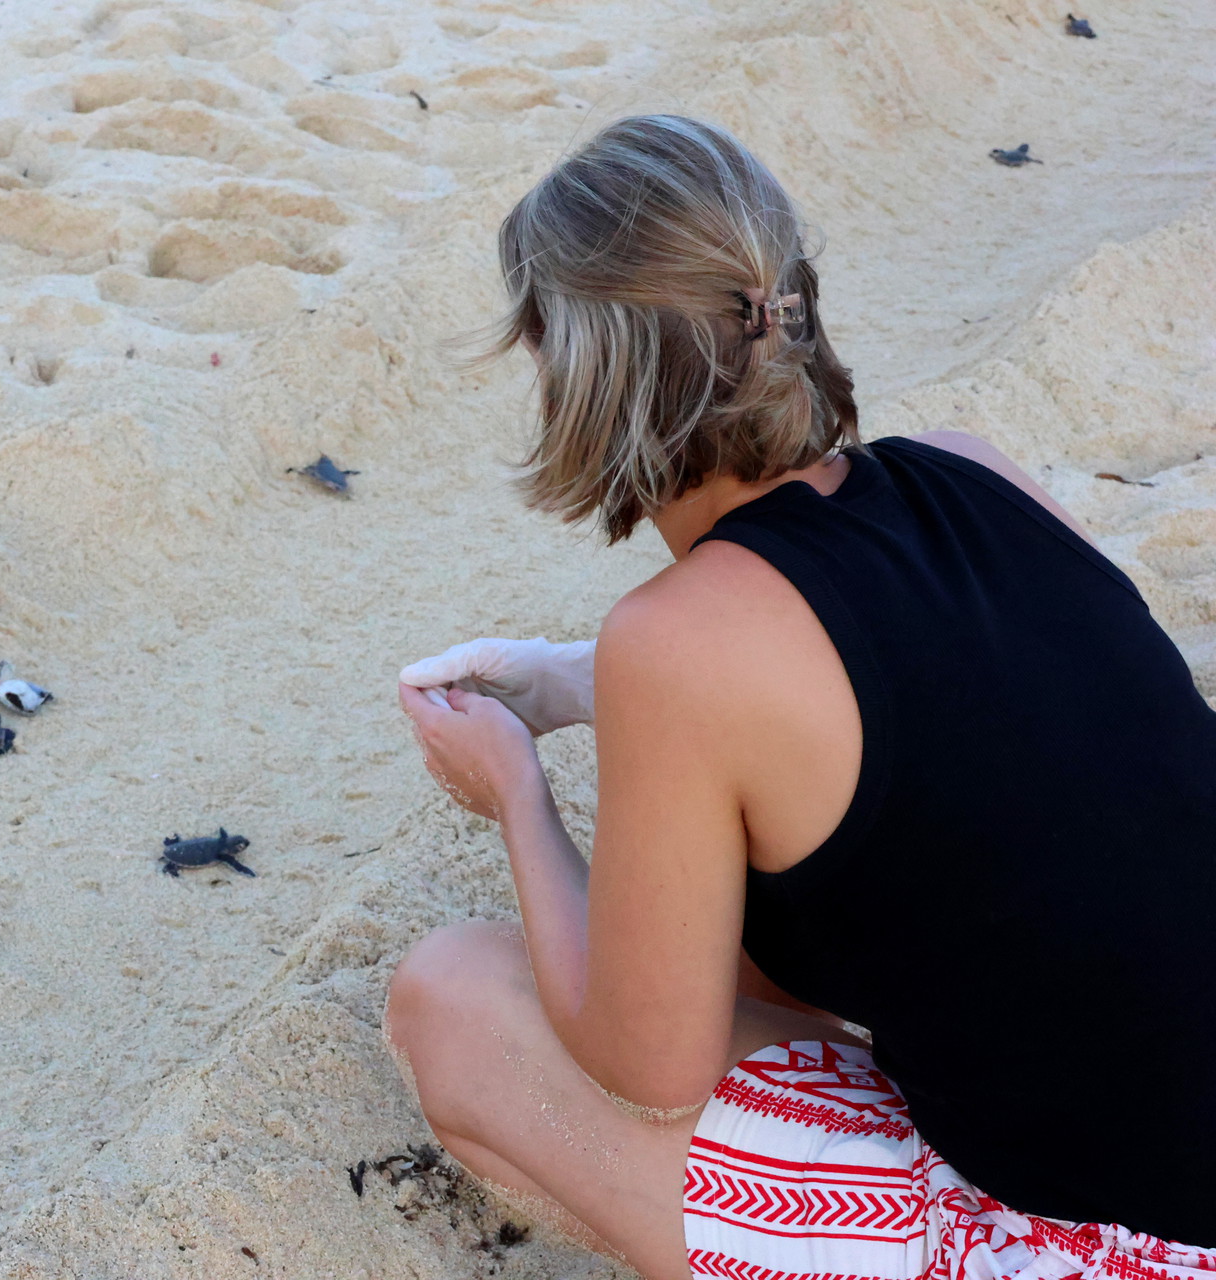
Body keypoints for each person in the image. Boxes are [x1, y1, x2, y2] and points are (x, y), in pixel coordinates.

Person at [388, 114, 1216, 1280]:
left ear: (581, 375)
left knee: (454, 998)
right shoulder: (974, 469)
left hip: (1143, 1246)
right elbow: (972, 748)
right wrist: (576, 681)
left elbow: (645, 1063)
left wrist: (518, 792)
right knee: (783, 909)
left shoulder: (678, 641)